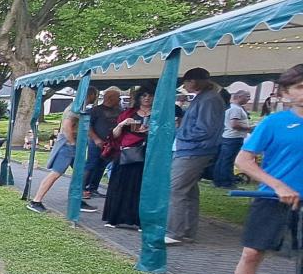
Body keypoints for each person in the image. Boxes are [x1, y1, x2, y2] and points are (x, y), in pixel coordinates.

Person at [216, 65, 303, 274]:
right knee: (252, 253)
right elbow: (244, 160)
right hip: (271, 199)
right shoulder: (273, 123)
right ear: (286, 93)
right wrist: (278, 186)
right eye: (300, 87)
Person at [166, 68, 223, 244]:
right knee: (189, 192)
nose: (185, 86)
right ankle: (186, 231)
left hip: (194, 150)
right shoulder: (205, 98)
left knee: (176, 189)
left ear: (195, 81)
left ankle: (174, 232)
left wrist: (181, 134)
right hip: (192, 149)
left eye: (186, 82)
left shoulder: (209, 100)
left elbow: (205, 129)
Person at [27, 88, 99, 213]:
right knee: (56, 173)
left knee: (80, 172)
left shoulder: (79, 108)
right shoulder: (74, 109)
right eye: (95, 95)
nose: (96, 97)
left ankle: (76, 200)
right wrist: (72, 143)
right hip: (67, 146)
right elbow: (66, 126)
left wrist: (95, 139)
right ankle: (36, 201)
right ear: (91, 95)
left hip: (73, 145)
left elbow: (85, 127)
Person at [101, 88, 153, 229]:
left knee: (141, 188)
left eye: (150, 95)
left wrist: (150, 131)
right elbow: (114, 136)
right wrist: (122, 124)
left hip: (147, 156)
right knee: (119, 186)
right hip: (126, 154)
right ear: (139, 98)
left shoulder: (158, 115)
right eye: (144, 95)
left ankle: (139, 220)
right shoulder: (128, 113)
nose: (147, 98)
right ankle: (114, 218)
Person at [83, 88, 122, 199]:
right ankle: (82, 188)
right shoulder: (95, 111)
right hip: (96, 143)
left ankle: (93, 188)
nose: (119, 100)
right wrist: (96, 139)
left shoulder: (119, 111)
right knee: (91, 165)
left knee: (101, 166)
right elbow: (87, 126)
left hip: (111, 144)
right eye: (118, 97)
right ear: (110, 98)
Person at [214, 89, 253, 188]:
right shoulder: (236, 109)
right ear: (239, 96)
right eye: (247, 96)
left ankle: (218, 181)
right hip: (233, 138)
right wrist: (250, 128)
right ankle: (226, 182)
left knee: (223, 160)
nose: (249, 99)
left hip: (229, 137)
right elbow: (234, 125)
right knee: (228, 161)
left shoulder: (232, 107)